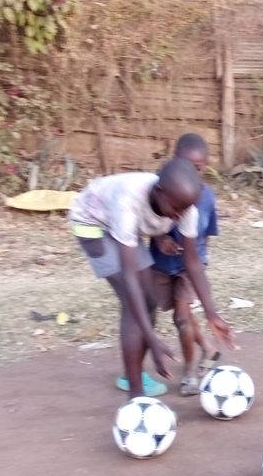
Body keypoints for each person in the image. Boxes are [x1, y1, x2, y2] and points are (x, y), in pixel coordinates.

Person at [69, 158, 235, 398]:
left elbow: (192, 263)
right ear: (158, 192)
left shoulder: (185, 207)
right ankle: (135, 395)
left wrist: (212, 314)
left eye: (184, 210)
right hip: (92, 223)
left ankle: (133, 372)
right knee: (132, 303)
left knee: (149, 301)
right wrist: (151, 337)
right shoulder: (129, 202)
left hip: (124, 228)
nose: (179, 216)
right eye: (175, 209)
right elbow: (129, 277)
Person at [149, 134, 221, 396]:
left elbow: (208, 232)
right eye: (186, 165)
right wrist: (160, 239)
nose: (192, 172)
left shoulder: (206, 197)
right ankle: (208, 348)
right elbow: (146, 220)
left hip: (190, 265)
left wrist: (201, 260)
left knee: (181, 317)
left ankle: (189, 372)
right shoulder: (159, 187)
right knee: (180, 316)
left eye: (198, 168)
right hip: (160, 263)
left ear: (206, 166)